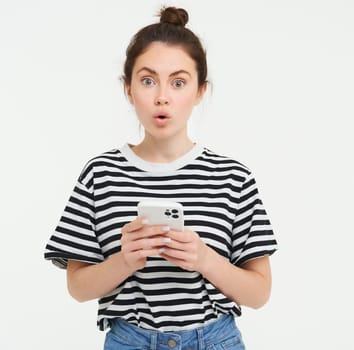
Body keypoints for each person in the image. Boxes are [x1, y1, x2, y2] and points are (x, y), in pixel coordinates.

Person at [43, 6, 278, 350]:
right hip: (129, 341)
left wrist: (204, 259)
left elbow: (259, 293)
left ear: (200, 92)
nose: (162, 96)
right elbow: (78, 287)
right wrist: (126, 259)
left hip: (215, 340)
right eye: (148, 80)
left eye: (179, 82)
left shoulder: (233, 177)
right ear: (128, 89)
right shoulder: (101, 174)